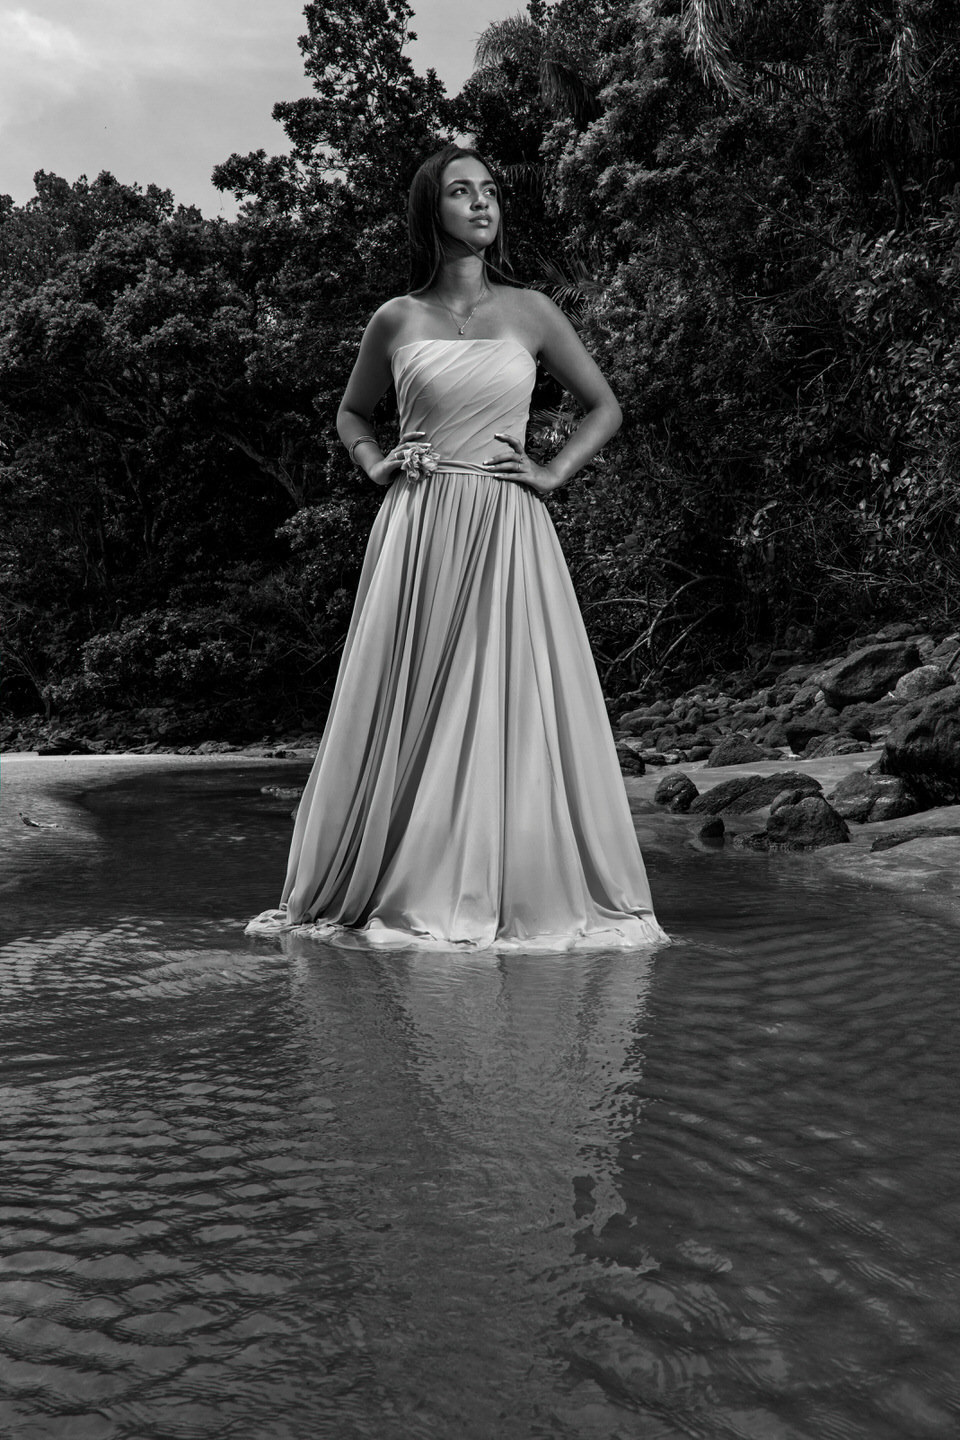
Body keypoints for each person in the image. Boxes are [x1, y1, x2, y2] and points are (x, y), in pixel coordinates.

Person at [247, 144, 667, 951]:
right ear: (429, 212)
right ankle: (399, 873)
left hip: (508, 526)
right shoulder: (396, 318)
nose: (482, 204)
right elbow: (351, 413)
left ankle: (498, 879)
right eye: (461, 192)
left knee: (502, 692)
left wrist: (550, 474)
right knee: (412, 700)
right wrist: (377, 465)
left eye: (491, 191)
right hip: (420, 523)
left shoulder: (534, 310)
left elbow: (606, 406)